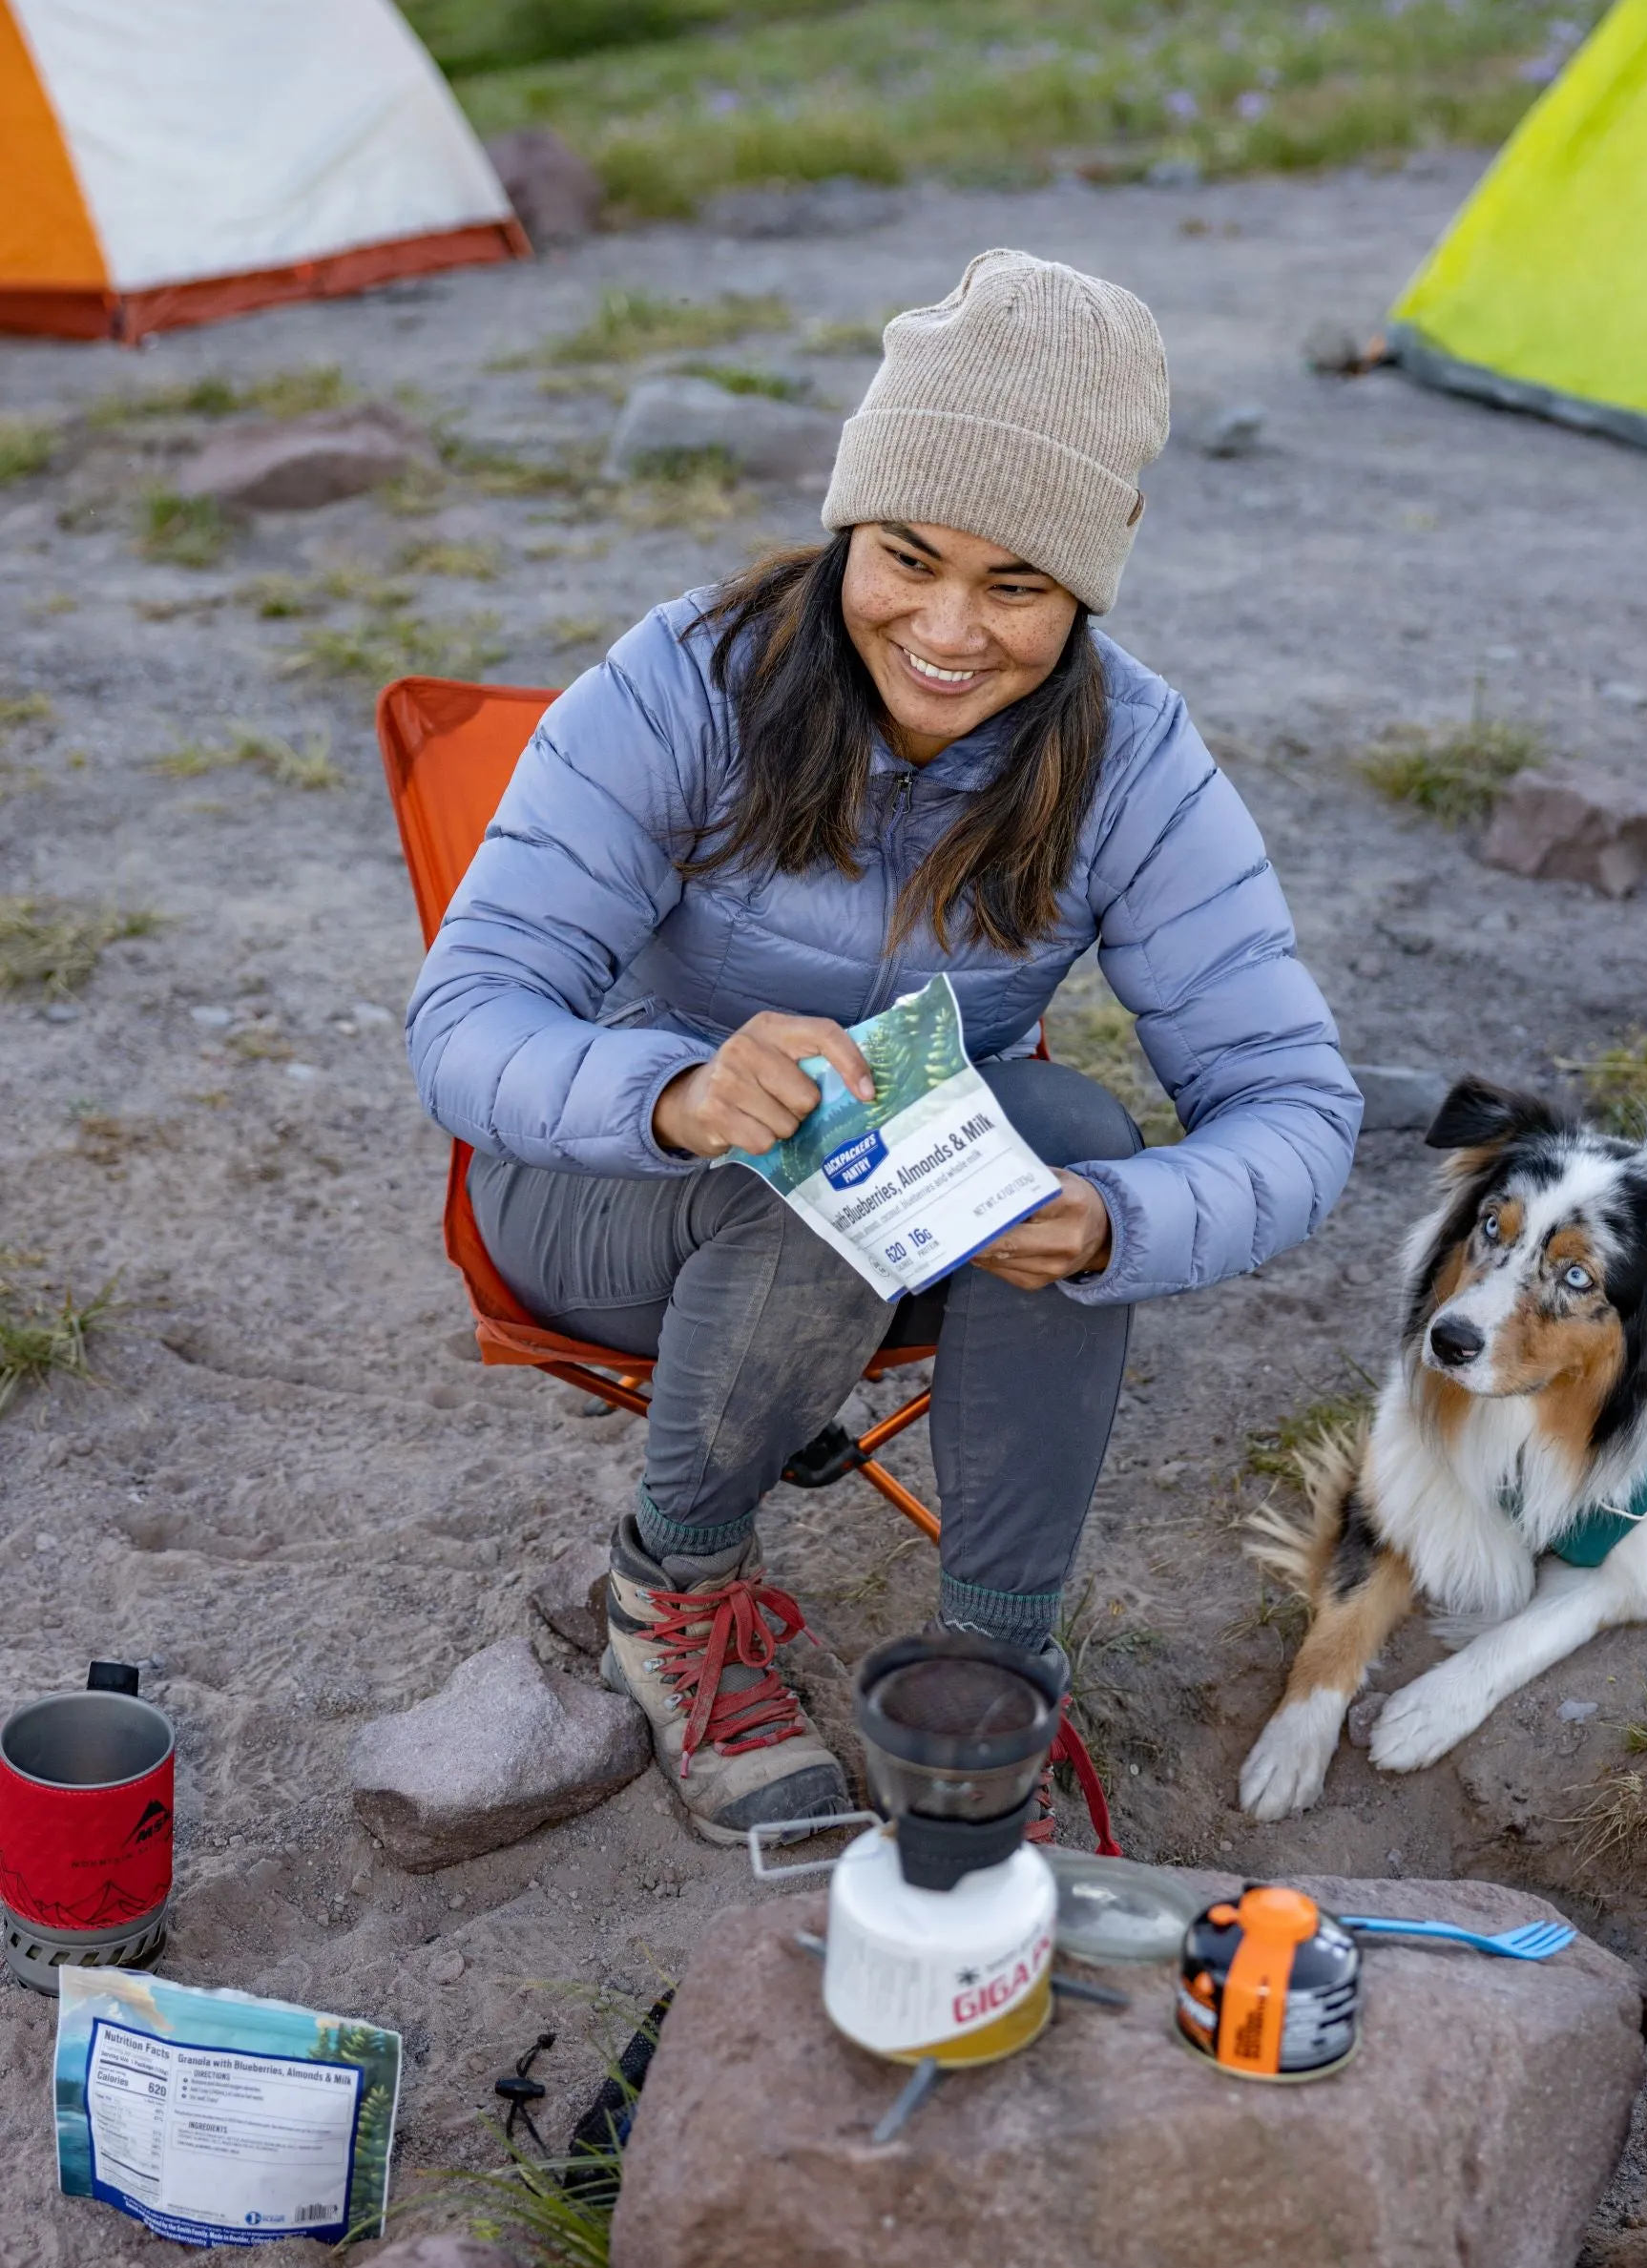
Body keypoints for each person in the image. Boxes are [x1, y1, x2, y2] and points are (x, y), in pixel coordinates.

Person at [407, 248, 1359, 1846]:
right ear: (852, 522)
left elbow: (1298, 1109)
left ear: (1089, 588)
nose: (946, 630)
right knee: (809, 1172)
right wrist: (678, 1090)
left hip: (904, 1206)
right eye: (908, 557)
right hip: (610, 1192)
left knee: (1071, 1134)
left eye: (1019, 586)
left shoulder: (1131, 757)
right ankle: (678, 1595)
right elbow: (464, 1022)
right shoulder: (686, 682)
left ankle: (990, 1662)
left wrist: (1121, 1223)